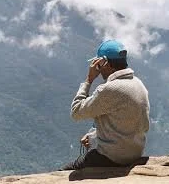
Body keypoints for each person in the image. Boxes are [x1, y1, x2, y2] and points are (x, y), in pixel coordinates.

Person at [60, 40, 150, 170]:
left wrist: (88, 80)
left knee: (65, 172)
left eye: (98, 63)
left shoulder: (110, 89)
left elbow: (76, 111)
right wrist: (94, 136)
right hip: (135, 153)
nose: (97, 68)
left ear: (105, 62)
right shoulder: (138, 84)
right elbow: (130, 125)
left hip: (112, 158)